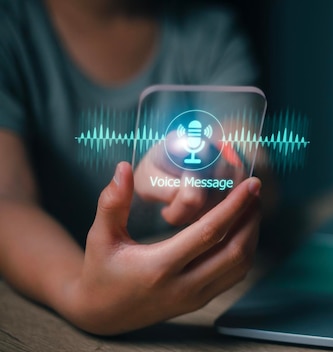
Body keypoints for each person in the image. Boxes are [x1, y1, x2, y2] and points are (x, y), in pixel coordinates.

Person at [0, 0, 263, 335]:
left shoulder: (209, 30)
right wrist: (78, 292)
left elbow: (250, 151)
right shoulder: (10, 29)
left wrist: (226, 172)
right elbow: (7, 198)